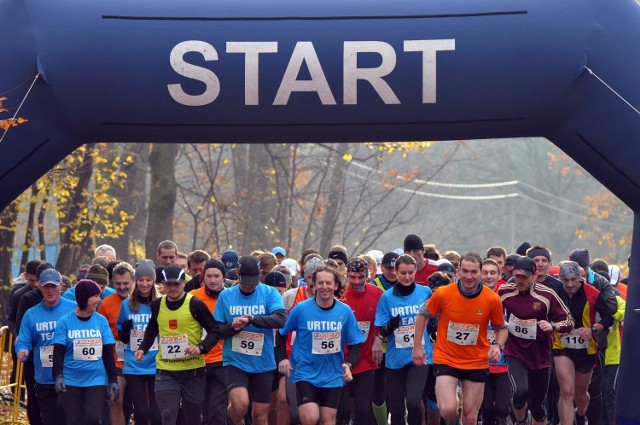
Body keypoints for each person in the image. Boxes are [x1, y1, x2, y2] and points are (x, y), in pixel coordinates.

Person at [413, 252, 507, 425]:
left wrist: (498, 347)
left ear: (480, 272)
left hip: (476, 360)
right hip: (447, 358)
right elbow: (423, 314)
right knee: (448, 409)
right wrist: (417, 345)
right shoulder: (443, 293)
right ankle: (454, 394)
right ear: (458, 271)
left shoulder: (491, 299)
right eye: (465, 271)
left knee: (470, 417)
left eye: (473, 272)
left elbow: (501, 328)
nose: (469, 276)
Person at [277, 264, 364, 425]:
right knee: (310, 418)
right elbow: (281, 335)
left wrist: (349, 364)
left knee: (327, 420)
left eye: (328, 283)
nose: (325, 287)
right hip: (305, 372)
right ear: (314, 285)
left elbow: (356, 343)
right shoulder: (300, 309)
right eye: (321, 283)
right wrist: (282, 358)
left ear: (336, 285)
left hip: (333, 374)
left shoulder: (345, 312)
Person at [134, 264, 220, 425]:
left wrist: (201, 347)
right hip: (166, 371)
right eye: (168, 284)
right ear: (162, 285)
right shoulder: (157, 305)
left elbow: (214, 331)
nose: (172, 288)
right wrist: (142, 348)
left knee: (192, 417)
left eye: (176, 284)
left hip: (193, 371)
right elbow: (153, 327)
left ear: (183, 283)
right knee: (167, 414)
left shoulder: (195, 304)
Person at [498, 256, 574, 425]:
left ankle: (535, 418)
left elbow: (569, 321)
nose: (520, 280)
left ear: (535, 275)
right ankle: (521, 420)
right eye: (517, 276)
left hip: (540, 356)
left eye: (524, 277)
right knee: (519, 393)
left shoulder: (547, 295)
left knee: (537, 406)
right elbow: (493, 315)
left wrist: (553, 325)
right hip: (515, 352)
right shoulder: (504, 292)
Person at [213, 256, 287, 425]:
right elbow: (216, 330)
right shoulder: (226, 295)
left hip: (264, 363)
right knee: (240, 406)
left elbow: (281, 319)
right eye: (245, 281)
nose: (249, 285)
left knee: (260, 416)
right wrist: (233, 327)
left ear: (260, 273)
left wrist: (252, 320)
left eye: (253, 282)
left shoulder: (270, 293)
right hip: (235, 361)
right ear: (237, 273)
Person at [553, 261, 614, 425]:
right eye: (565, 280)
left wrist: (592, 330)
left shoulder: (592, 293)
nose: (570, 284)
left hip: (586, 348)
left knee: (580, 394)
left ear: (580, 278)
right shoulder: (555, 292)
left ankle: (580, 415)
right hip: (561, 346)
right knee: (566, 390)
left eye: (573, 280)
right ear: (561, 279)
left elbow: (608, 318)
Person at [375, 254, 433, 425]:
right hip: (395, 358)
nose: (407, 277)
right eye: (403, 273)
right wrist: (391, 326)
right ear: (396, 272)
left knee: (414, 402)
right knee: (397, 407)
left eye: (410, 273)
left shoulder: (425, 292)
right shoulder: (387, 297)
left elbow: (435, 318)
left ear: (415, 272)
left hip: (420, 355)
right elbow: (382, 331)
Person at [52, 279, 119, 425]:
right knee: (74, 420)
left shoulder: (101, 321)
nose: (99, 300)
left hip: (96, 378)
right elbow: (58, 352)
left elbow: (108, 352)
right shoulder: (65, 322)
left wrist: (113, 379)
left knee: (92, 418)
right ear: (84, 298)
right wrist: (58, 376)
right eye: (95, 296)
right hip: (71, 379)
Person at [15, 269, 76, 425]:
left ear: (61, 285)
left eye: (53, 286)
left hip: (70, 376)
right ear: (40, 286)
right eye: (46, 286)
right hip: (44, 378)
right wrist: (21, 350)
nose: (50, 290)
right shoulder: (31, 314)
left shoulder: (73, 309)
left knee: (69, 418)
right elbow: (23, 340)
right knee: (50, 420)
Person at [568, 248, 618, 425]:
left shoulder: (599, 282)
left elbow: (611, 308)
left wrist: (592, 300)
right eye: (576, 267)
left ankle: (591, 420)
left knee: (595, 390)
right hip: (567, 345)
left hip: (595, 342)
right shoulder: (565, 281)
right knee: (567, 389)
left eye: (583, 267)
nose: (579, 271)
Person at [337, 258, 384, 425]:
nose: (356, 282)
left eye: (360, 277)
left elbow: (383, 319)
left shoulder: (377, 294)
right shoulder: (340, 295)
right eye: (352, 277)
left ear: (368, 275)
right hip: (340, 361)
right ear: (347, 275)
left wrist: (378, 338)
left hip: (365, 360)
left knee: (363, 409)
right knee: (341, 410)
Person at [118, 260, 162, 425]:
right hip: (134, 364)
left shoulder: (161, 304)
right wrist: (125, 331)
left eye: (148, 280)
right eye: (141, 280)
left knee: (156, 414)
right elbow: (122, 337)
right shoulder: (126, 305)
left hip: (157, 362)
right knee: (141, 412)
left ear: (153, 281)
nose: (144, 284)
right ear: (136, 281)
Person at [189, 259, 228, 425]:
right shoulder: (193, 297)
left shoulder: (230, 296)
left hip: (223, 359)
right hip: (198, 361)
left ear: (223, 278)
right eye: (209, 276)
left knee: (218, 410)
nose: (213, 280)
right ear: (203, 278)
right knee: (199, 409)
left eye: (217, 276)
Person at [98, 262, 135, 425]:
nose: (122, 287)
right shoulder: (106, 303)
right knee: (115, 400)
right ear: (112, 283)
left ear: (133, 281)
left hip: (141, 361)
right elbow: (99, 332)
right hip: (117, 361)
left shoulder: (144, 302)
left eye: (126, 283)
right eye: (118, 284)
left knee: (141, 406)